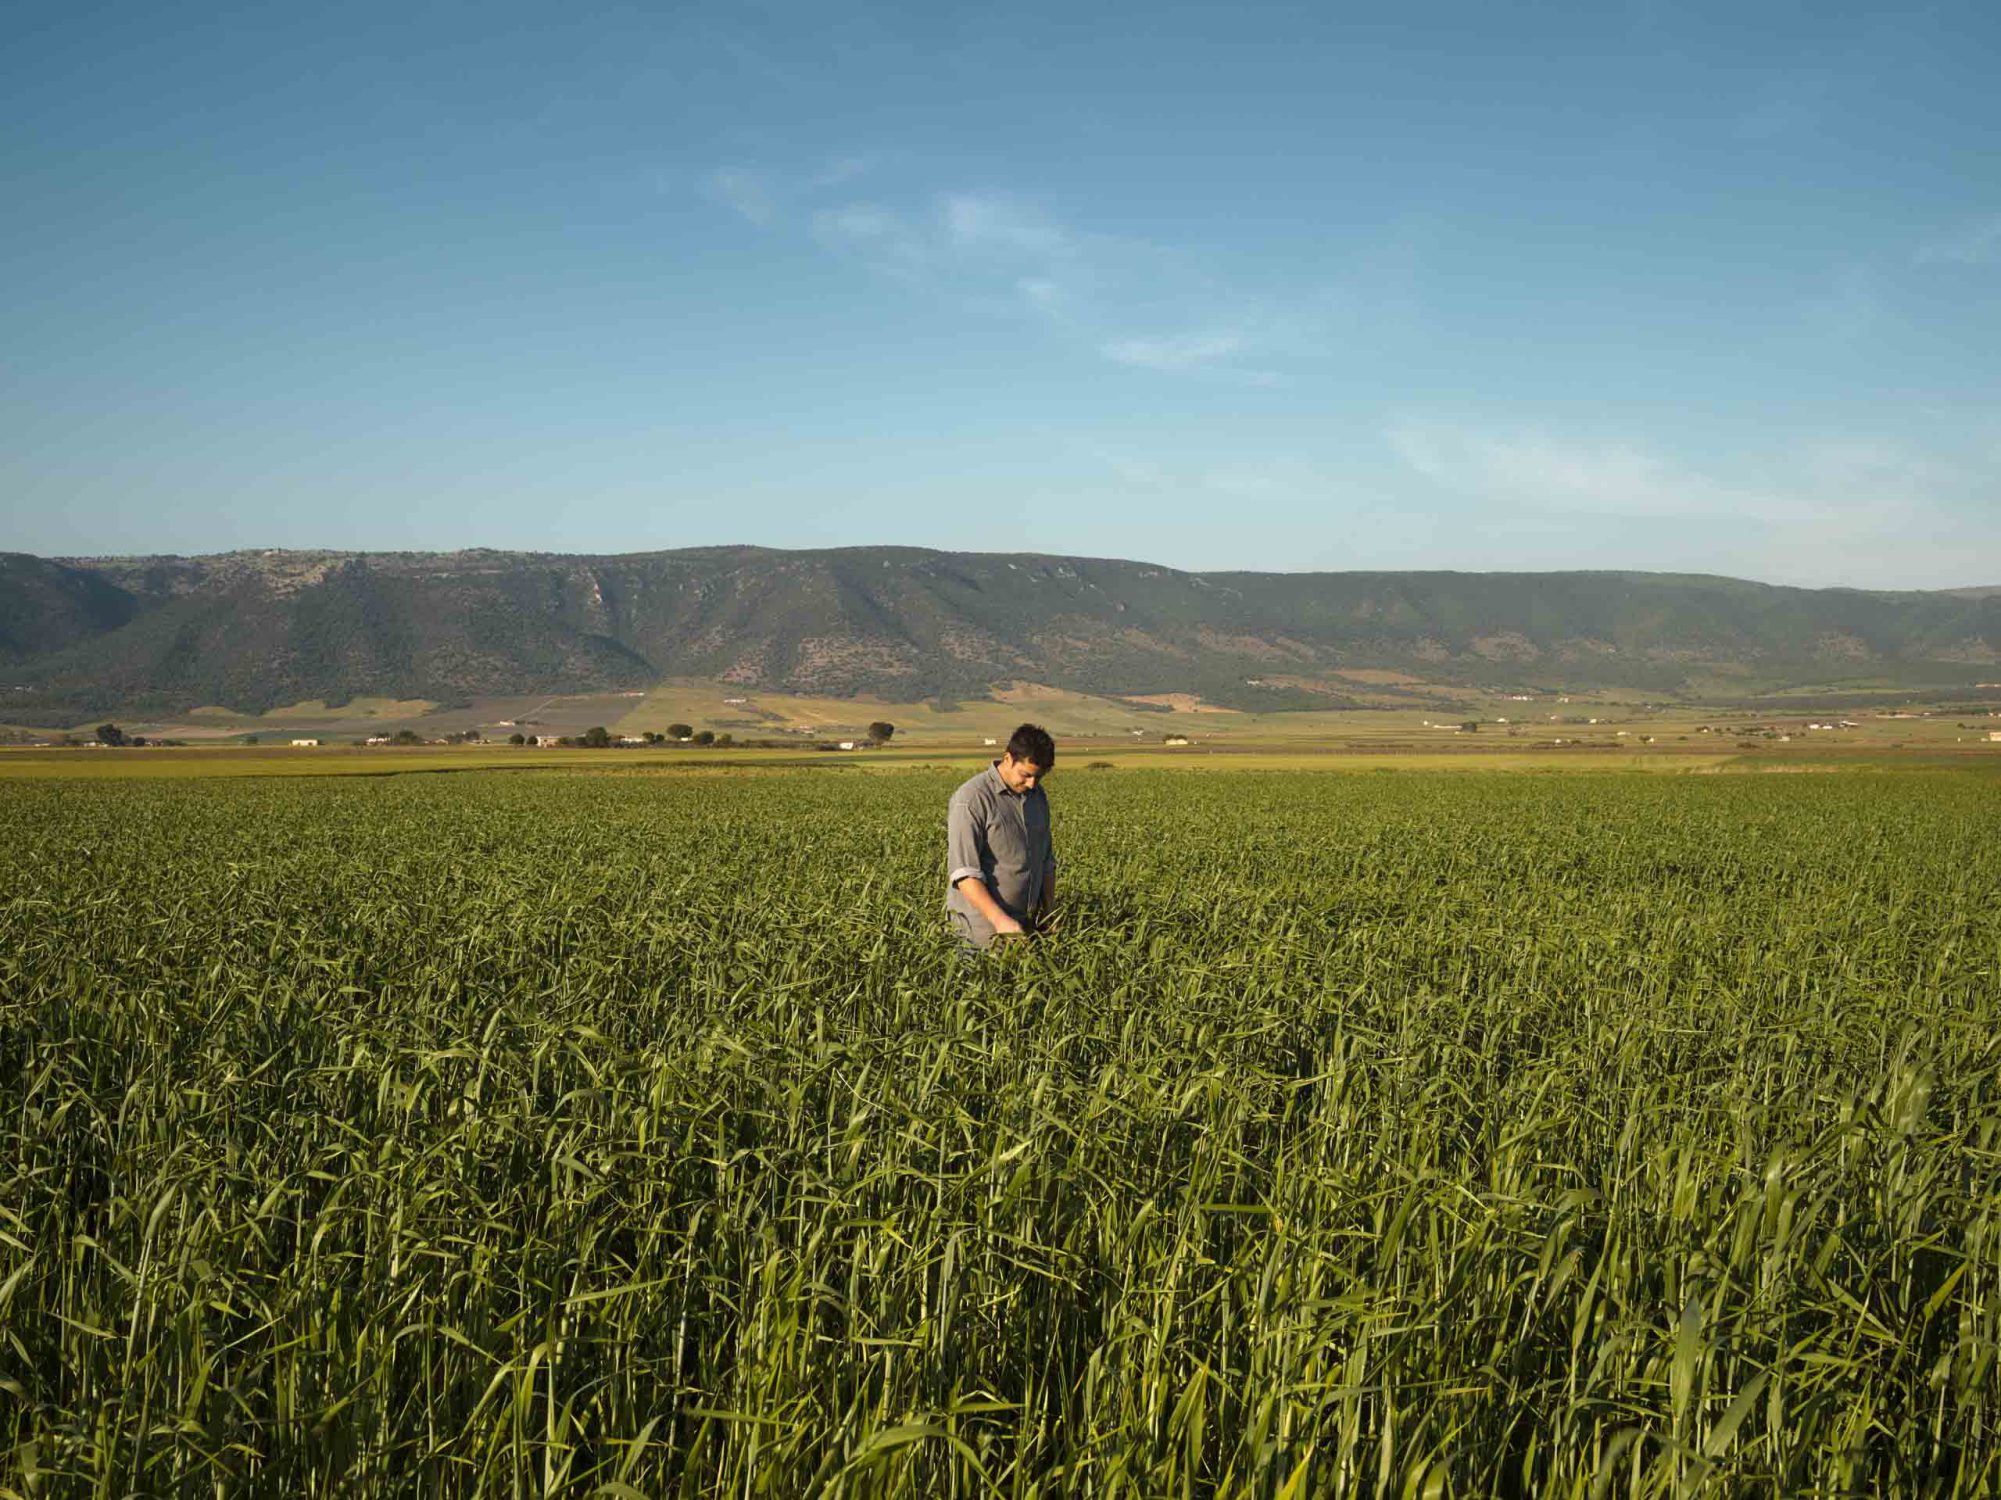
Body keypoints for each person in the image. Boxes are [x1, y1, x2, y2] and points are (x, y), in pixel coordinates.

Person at [946, 723, 1057, 948]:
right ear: (1008, 758)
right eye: (1025, 775)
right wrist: (1000, 920)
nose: (1032, 783)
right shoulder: (972, 799)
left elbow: (1046, 860)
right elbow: (965, 873)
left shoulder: (1037, 796)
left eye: (1039, 777)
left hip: (1026, 928)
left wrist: (1049, 913)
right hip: (979, 933)